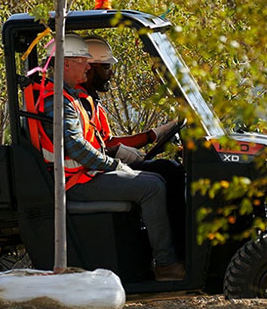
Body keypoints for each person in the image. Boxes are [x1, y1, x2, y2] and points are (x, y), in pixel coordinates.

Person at [29, 34, 185, 281]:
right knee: (152, 186)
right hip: (74, 182)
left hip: (85, 175)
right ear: (66, 63)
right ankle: (166, 265)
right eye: (84, 61)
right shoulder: (58, 100)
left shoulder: (69, 97)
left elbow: (95, 143)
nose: (89, 66)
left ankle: (166, 253)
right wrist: (115, 164)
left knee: (162, 172)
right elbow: (77, 148)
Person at [80, 35, 187, 246]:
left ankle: (180, 241)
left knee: (169, 169)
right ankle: (170, 255)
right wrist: (120, 151)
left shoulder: (91, 99)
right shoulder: (78, 102)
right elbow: (99, 147)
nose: (111, 73)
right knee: (159, 180)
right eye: (106, 66)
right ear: (89, 67)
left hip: (97, 170)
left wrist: (153, 135)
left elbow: (107, 140)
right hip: (87, 176)